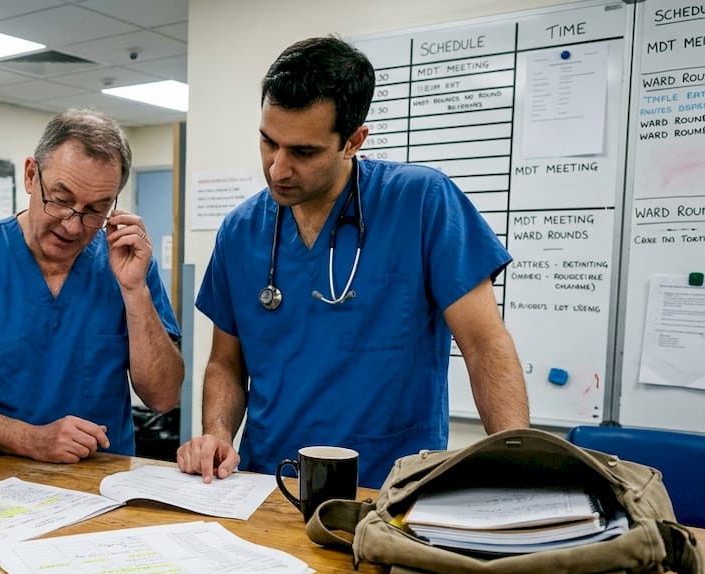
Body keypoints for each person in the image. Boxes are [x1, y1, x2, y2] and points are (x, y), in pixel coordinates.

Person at [178, 36, 529, 487]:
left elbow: (484, 345)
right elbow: (226, 363)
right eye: (268, 142)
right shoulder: (240, 230)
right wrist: (217, 434)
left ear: (353, 141)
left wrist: (521, 464)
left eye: (303, 152)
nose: (277, 168)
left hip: (389, 486)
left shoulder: (421, 203)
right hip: (269, 482)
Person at [0, 109, 184, 464]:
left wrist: (135, 292)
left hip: (102, 482)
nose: (72, 225)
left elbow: (163, 397)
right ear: (30, 175)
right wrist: (31, 439)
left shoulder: (127, 267)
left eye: (95, 210)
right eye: (61, 200)